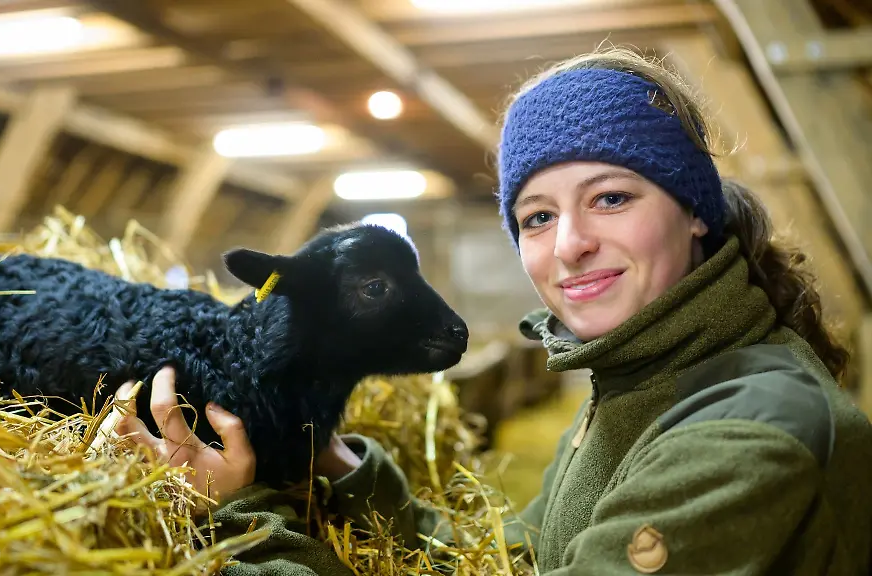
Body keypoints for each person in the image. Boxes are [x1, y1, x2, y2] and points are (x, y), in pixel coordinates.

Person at [112, 47, 872, 575]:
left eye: (610, 198)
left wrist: (238, 521)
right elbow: (517, 562)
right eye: (537, 217)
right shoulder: (639, 380)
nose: (570, 244)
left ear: (695, 210)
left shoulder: (744, 436)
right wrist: (344, 470)